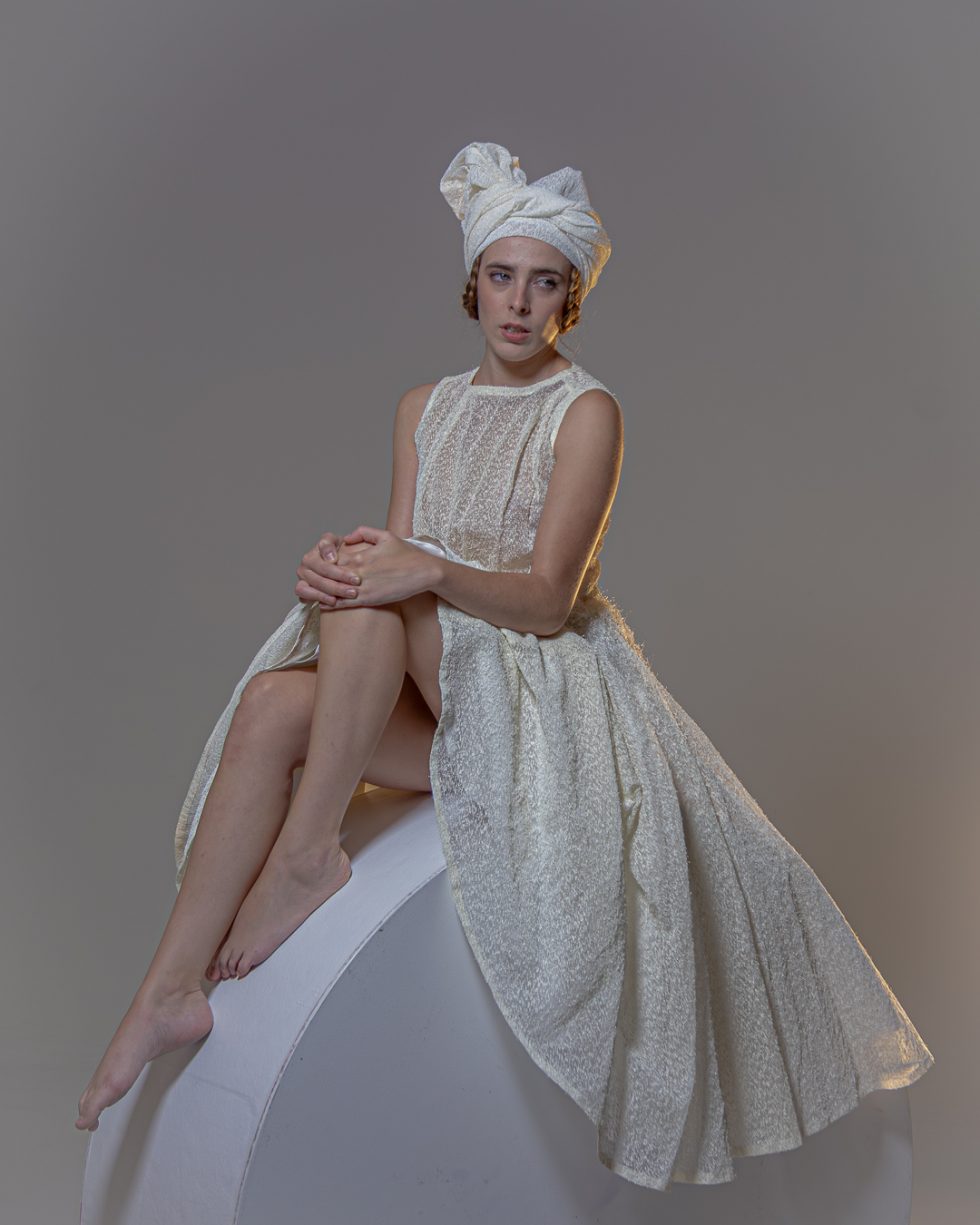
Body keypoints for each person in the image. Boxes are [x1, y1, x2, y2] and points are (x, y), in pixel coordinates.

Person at [76, 141, 934, 1192]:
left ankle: (305, 853)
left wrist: (415, 569)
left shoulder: (586, 412)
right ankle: (164, 991)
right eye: (499, 276)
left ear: (570, 298)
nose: (518, 304)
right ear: (471, 284)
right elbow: (393, 567)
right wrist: (336, 571)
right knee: (267, 703)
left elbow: (547, 597)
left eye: (543, 283)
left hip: (541, 687)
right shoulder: (421, 408)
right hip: (435, 683)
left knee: (383, 592)